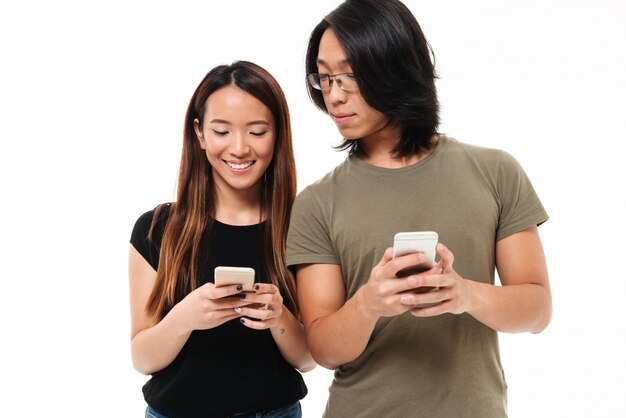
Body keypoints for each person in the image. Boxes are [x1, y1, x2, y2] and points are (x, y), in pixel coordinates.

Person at [286, 1, 552, 417]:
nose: (334, 95)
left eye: (350, 76)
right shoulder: (316, 203)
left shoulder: (496, 171)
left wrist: (465, 294)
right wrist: (369, 303)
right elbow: (322, 349)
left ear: (393, 67)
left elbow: (537, 310)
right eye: (324, 77)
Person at [129, 61, 315, 418]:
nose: (240, 148)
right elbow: (142, 358)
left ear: (277, 135)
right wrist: (186, 317)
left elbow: (307, 359)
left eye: (257, 132)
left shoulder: (301, 227)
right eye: (221, 131)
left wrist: (278, 316)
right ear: (199, 133)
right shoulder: (156, 229)